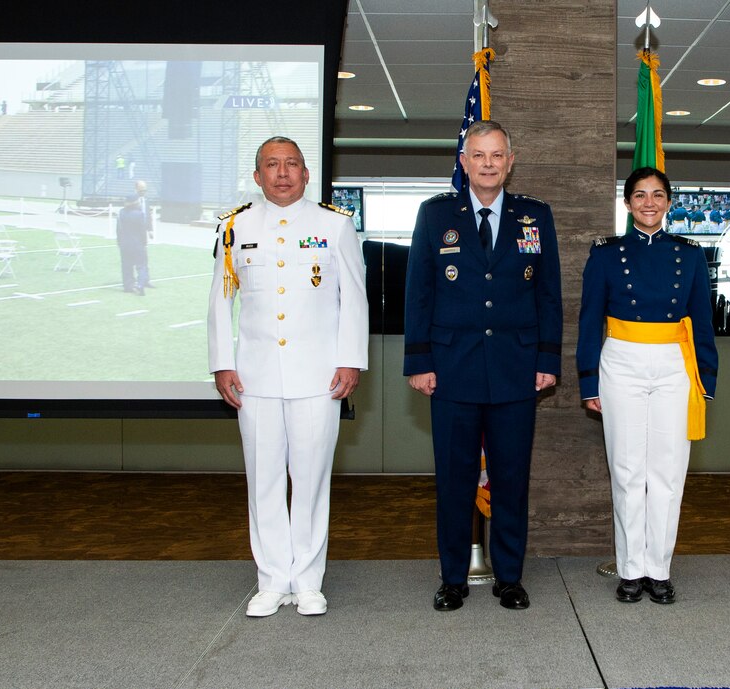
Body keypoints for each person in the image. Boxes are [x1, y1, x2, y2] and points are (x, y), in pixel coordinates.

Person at [404, 120, 562, 612]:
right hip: (451, 369)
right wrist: (419, 359)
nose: (488, 163)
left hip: (517, 369)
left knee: (512, 477)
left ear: (510, 162)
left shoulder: (535, 216)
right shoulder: (435, 216)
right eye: (479, 155)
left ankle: (509, 577)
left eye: (497, 155)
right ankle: (453, 577)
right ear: (464, 161)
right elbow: (419, 293)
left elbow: (549, 294)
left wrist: (547, 358)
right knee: (454, 477)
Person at [207, 136, 369, 618]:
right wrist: (222, 361)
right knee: (263, 481)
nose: (282, 173)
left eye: (292, 164)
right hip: (254, 378)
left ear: (305, 173)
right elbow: (220, 299)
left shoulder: (334, 225)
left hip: (318, 377)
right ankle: (272, 578)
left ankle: (308, 580)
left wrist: (350, 360)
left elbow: (353, 299)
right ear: (257, 176)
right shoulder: (236, 226)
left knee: (313, 479)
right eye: (272, 165)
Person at [577, 166, 718, 605]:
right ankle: (630, 570)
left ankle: (659, 569)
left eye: (658, 195)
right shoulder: (605, 254)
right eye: (640, 195)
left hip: (675, 365)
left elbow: (702, 323)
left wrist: (705, 379)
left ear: (669, 201)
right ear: (627, 204)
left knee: (668, 472)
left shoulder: (691, 254)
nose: (649, 203)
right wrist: (588, 381)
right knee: (627, 470)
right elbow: (587, 323)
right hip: (621, 362)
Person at [116, 195, 148, 294]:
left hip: (124, 243)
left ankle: (128, 286)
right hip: (137, 243)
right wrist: (144, 242)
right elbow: (142, 230)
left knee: (126, 266)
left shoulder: (121, 212)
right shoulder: (139, 214)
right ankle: (140, 285)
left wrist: (119, 241)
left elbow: (118, 229)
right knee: (141, 266)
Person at [134, 180, 154, 288]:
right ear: (136, 189)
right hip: (134, 234)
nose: (143, 192)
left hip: (143, 234)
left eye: (145, 190)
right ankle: (139, 280)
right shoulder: (132, 200)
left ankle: (146, 280)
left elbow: (148, 216)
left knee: (145, 257)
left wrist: (150, 230)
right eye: (142, 190)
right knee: (138, 258)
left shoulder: (146, 200)